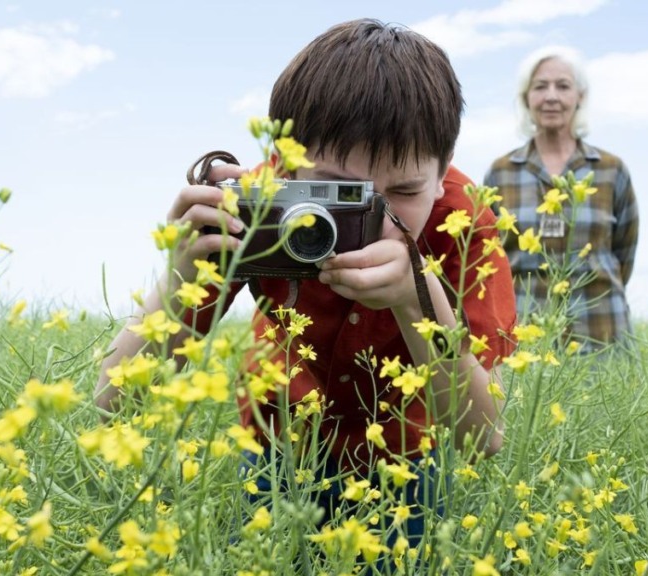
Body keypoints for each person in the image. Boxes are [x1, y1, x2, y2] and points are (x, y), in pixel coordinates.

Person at [95, 18, 517, 556]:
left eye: (406, 191)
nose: (375, 215)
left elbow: (481, 437)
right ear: (285, 164)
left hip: (407, 456)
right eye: (338, 192)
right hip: (279, 444)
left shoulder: (466, 218)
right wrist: (181, 275)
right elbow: (115, 398)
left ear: (444, 173)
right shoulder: (256, 205)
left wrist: (419, 296)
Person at [483, 45, 639, 352]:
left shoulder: (610, 170)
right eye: (540, 86)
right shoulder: (500, 173)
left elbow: (624, 256)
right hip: (524, 337)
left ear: (580, 96)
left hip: (601, 333)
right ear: (526, 98)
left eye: (563, 86)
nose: (551, 96)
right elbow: (489, 254)